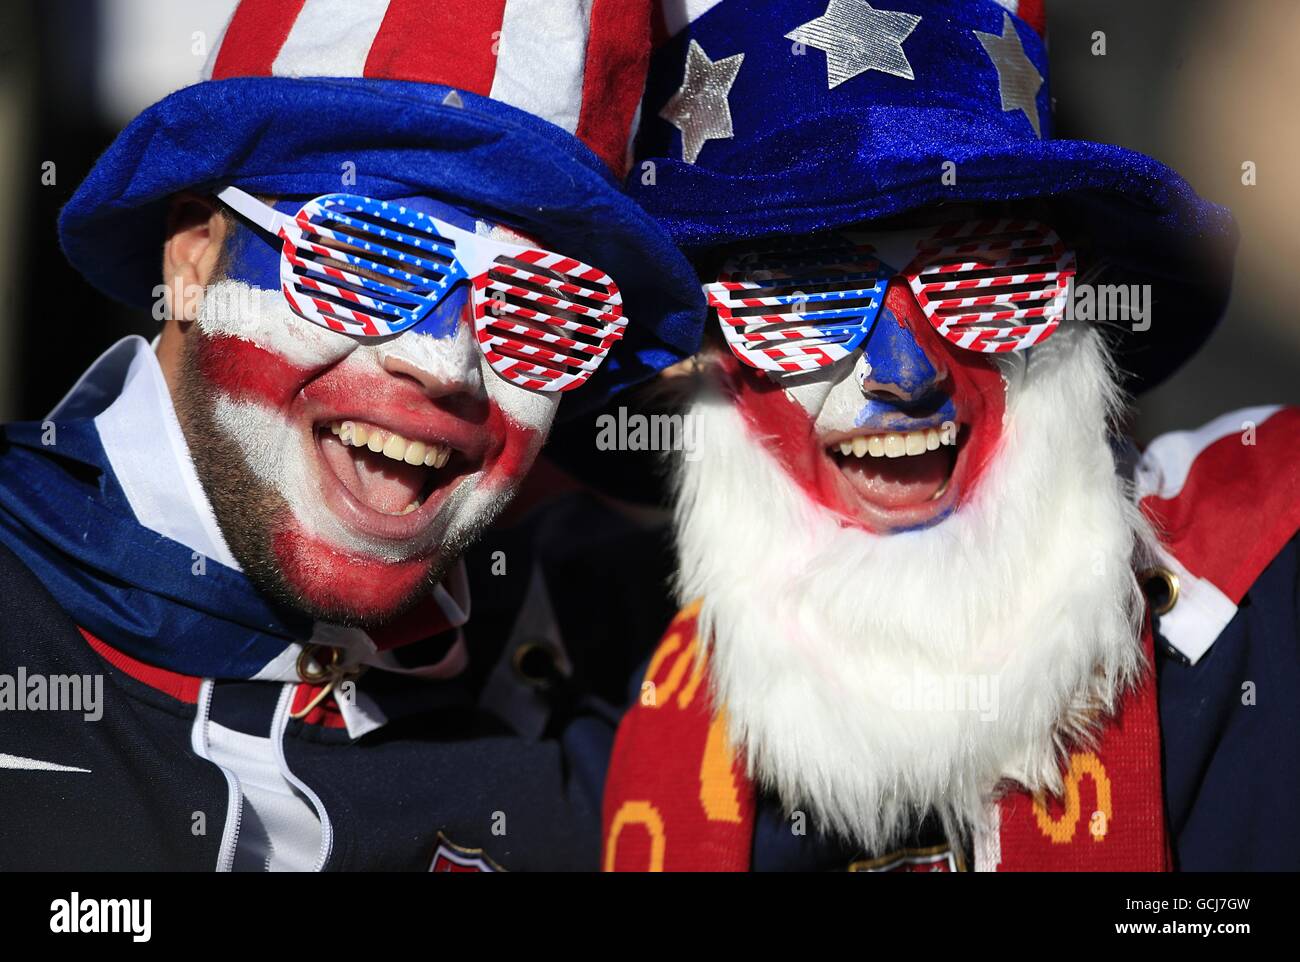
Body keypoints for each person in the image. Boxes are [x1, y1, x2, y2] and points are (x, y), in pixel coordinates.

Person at [0, 0, 702, 871]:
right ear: (191, 257)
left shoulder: (601, 684)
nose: (446, 364)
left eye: (539, 310)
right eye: (369, 257)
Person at [602, 0, 1299, 871]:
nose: (905, 374)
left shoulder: (1267, 591)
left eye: (983, 275)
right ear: (701, 357)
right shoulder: (591, 691)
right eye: (802, 296)